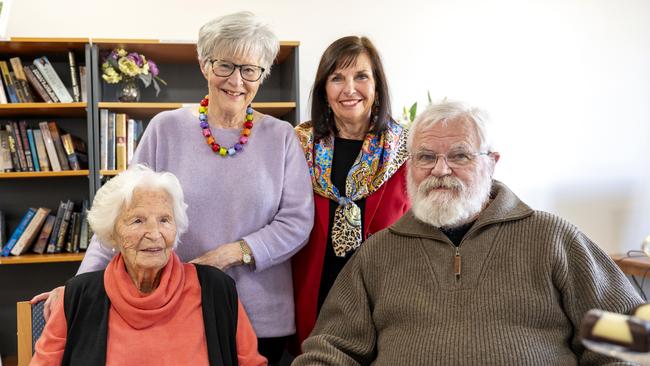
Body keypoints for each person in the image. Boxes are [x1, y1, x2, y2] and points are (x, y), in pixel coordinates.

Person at [33, 11, 314, 364]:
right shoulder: (165, 129)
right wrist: (78, 288)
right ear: (204, 65)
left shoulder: (282, 137)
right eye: (225, 65)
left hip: (263, 315)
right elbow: (125, 212)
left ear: (262, 75)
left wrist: (230, 254)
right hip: (180, 310)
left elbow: (297, 221)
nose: (237, 80)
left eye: (250, 69)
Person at [293, 100, 644, 365]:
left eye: (459, 156)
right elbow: (329, 351)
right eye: (425, 157)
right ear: (409, 166)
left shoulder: (553, 238)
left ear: (492, 162)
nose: (440, 170)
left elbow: (630, 339)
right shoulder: (378, 253)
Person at [31, 165, 266, 365]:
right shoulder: (77, 297)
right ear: (112, 232)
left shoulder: (216, 290)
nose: (154, 234)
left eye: (164, 220)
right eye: (137, 220)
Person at [292, 36, 410, 348]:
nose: (349, 89)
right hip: (312, 297)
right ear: (323, 90)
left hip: (387, 303)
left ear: (377, 86)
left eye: (361, 76)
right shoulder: (297, 146)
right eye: (336, 78)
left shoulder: (407, 150)